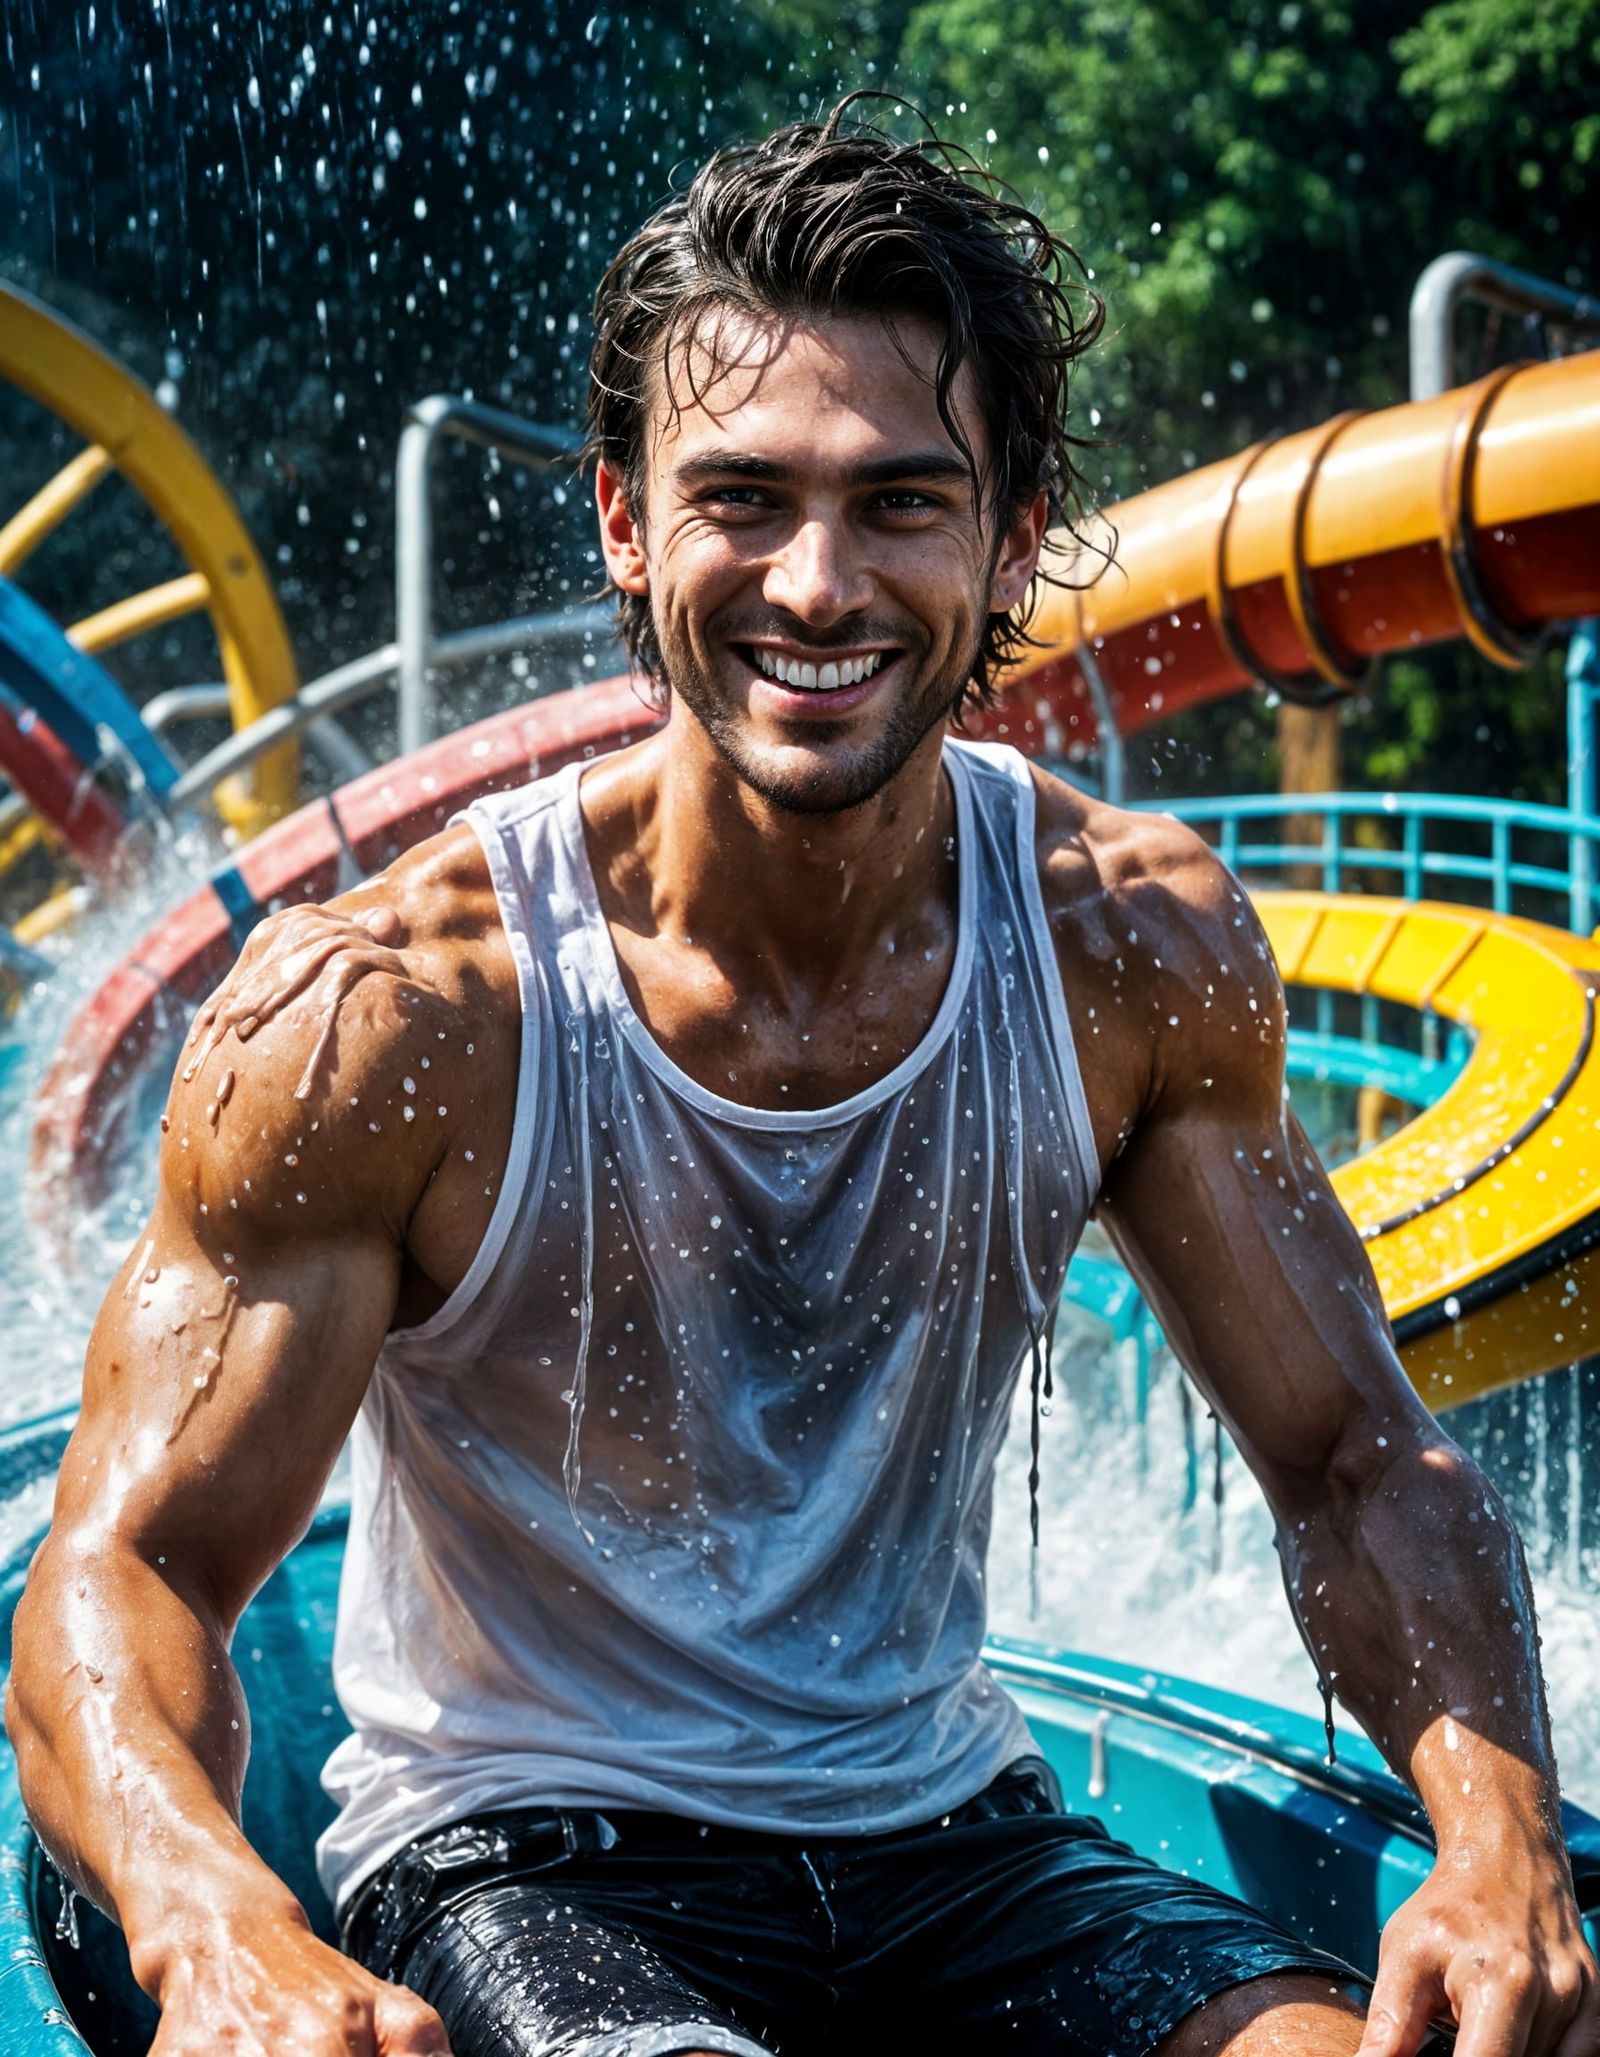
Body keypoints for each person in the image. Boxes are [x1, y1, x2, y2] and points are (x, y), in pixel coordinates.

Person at [6, 100, 1596, 2057]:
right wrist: (206, 1923)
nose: (818, 582)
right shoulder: (386, 1017)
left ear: (1012, 536)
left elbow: (1360, 1466)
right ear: (623, 518)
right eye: (742, 497)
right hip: (520, 1852)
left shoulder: (1127, 949)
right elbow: (126, 1571)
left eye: (901, 504)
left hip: (958, 1836)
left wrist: (1492, 1839)